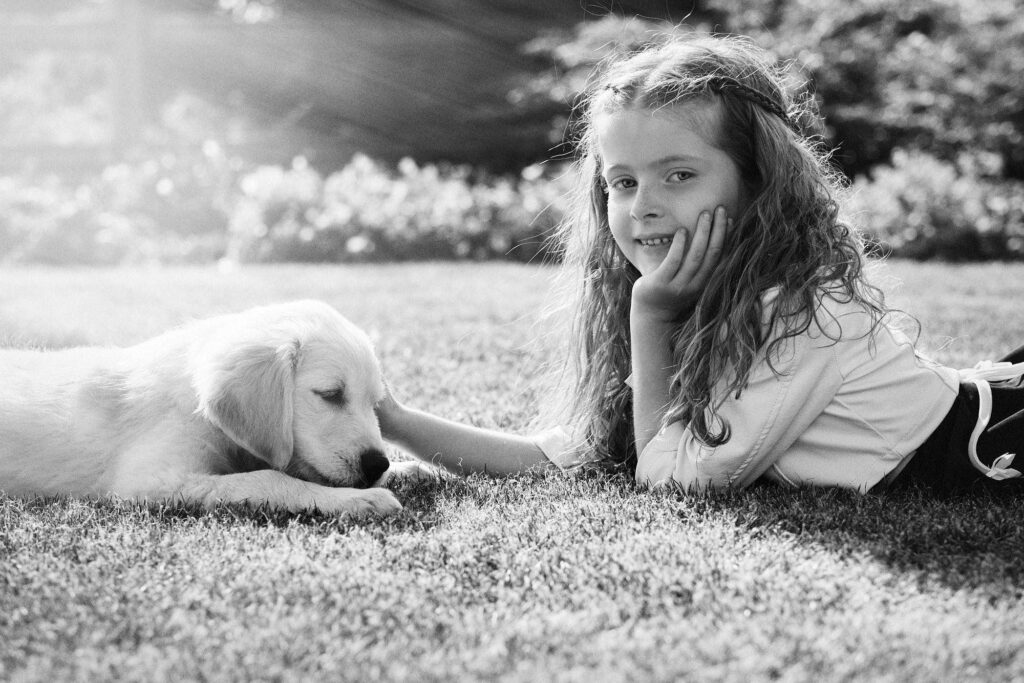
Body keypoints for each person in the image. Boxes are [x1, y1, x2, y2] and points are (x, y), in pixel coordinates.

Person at [376, 32, 1024, 495]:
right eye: (622, 183)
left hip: (986, 442)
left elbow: (673, 477)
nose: (643, 207)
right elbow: (575, 454)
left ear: (757, 181)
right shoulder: (703, 288)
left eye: (679, 174)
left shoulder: (806, 313)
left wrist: (650, 315)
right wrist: (395, 421)